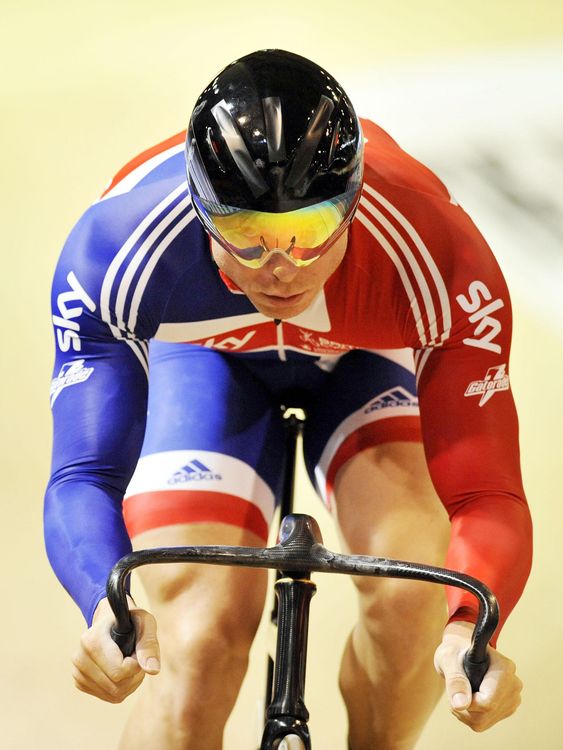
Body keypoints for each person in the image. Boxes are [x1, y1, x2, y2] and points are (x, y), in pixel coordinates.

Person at [45, 49, 532, 750]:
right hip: (210, 363)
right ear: (199, 210)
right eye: (245, 236)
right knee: (195, 650)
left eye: (306, 233)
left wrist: (468, 627)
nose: (280, 269)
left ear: (354, 202)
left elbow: (485, 494)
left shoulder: (440, 257)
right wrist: (102, 604)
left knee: (411, 600)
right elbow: (83, 475)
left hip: (362, 363)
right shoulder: (113, 253)